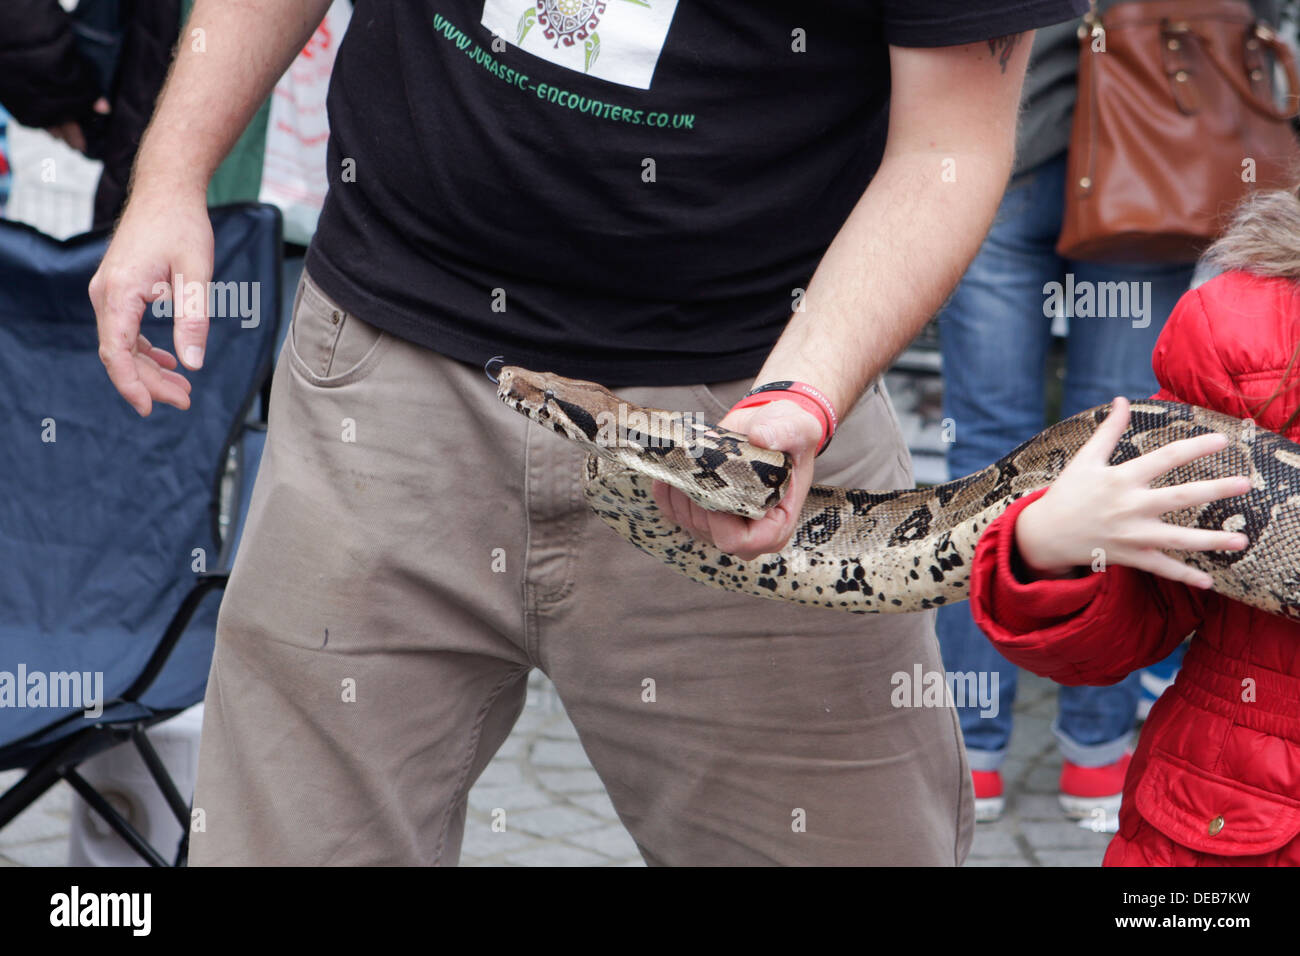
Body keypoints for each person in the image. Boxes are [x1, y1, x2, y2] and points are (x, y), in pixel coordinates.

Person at [90, 0, 1085, 866]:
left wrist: (804, 393)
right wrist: (173, 171)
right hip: (384, 363)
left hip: (747, 419)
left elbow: (947, 145)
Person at [969, 186, 1300, 865]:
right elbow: (1142, 613)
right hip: (1225, 825)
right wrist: (1051, 551)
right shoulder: (1245, 330)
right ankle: (1059, 752)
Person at [932, 6, 1207, 825]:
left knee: (990, 458)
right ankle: (1093, 750)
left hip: (996, 139)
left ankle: (976, 750)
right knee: (1118, 463)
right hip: (1150, 148)